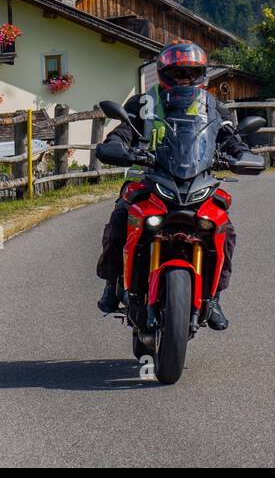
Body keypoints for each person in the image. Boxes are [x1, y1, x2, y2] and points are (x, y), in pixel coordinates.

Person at [94, 41, 251, 330]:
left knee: (225, 230)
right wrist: (117, 146)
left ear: (201, 75)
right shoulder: (144, 103)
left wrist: (242, 154)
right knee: (119, 220)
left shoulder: (213, 107)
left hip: (197, 180)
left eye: (190, 74)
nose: (184, 80)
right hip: (149, 179)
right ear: (164, 73)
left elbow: (231, 137)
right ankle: (113, 282)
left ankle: (214, 297)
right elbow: (124, 132)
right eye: (178, 73)